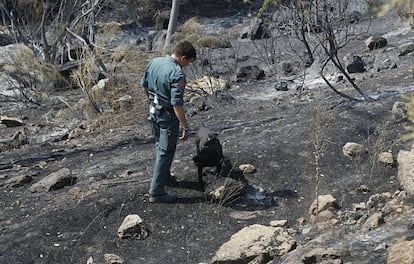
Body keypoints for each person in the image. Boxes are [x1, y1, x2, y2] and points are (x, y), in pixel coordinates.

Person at [140, 41, 196, 203]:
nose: (187, 66)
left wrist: (152, 101)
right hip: (167, 118)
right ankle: (156, 192)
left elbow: (144, 86)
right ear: (183, 58)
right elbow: (177, 104)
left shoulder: (155, 62)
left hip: (154, 112)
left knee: (160, 146)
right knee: (165, 152)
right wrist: (185, 127)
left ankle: (165, 176)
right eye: (188, 62)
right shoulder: (177, 73)